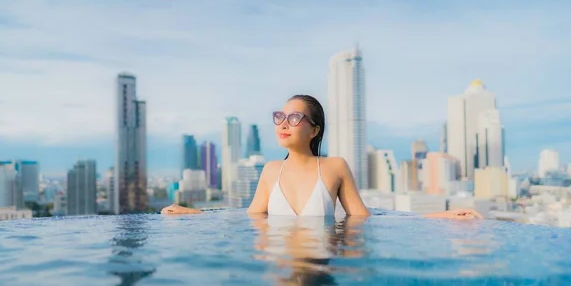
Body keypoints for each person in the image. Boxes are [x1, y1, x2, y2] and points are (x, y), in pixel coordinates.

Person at [161, 94, 483, 220]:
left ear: (314, 131)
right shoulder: (271, 171)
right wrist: (192, 214)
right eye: (280, 117)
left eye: (295, 118)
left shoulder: (334, 167)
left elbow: (364, 219)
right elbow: (248, 217)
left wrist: (440, 217)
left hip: (322, 269)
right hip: (277, 269)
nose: (284, 124)